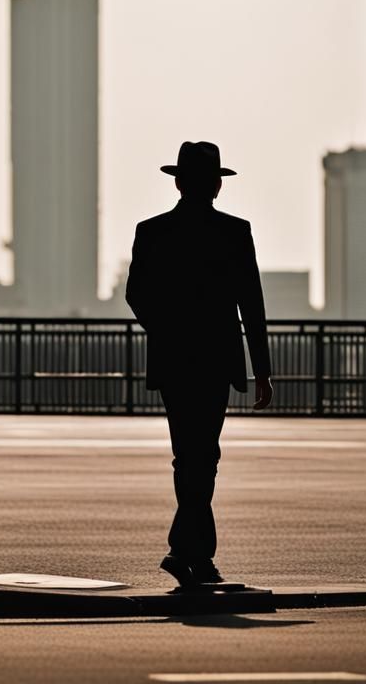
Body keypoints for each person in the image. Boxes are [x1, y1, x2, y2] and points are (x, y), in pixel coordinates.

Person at [125, 140, 272, 589]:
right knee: (202, 454)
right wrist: (261, 369)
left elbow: (136, 294)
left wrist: (167, 328)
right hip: (216, 357)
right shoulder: (234, 231)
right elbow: (252, 304)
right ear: (215, 186)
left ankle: (187, 551)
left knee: (188, 453)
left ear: (178, 182)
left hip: (174, 359)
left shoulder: (152, 231)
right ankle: (193, 554)